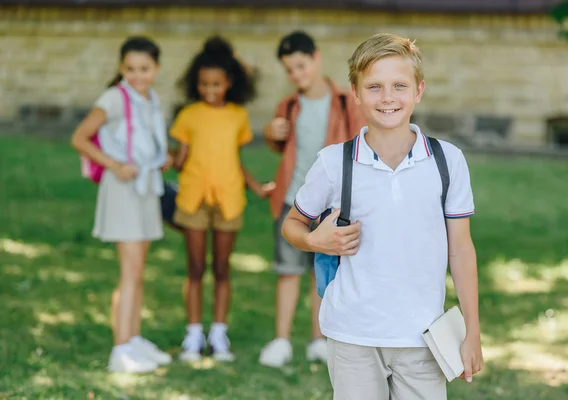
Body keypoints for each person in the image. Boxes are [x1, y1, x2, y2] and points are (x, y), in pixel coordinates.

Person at [281, 33, 484, 399]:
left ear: (418, 91)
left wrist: (473, 331)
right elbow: (292, 224)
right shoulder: (334, 162)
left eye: (399, 86)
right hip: (352, 336)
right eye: (374, 87)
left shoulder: (447, 161)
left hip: (423, 336)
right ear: (356, 93)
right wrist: (313, 239)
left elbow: (461, 251)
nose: (387, 97)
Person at [259, 31, 366, 368]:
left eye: (301, 66)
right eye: (290, 70)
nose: (297, 75)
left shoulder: (346, 102)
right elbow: (283, 147)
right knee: (288, 271)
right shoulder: (289, 105)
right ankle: (281, 340)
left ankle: (318, 340)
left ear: (317, 58)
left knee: (322, 274)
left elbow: (360, 146)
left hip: (332, 206)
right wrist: (270, 135)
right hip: (293, 201)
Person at [71, 36, 173, 374]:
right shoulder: (114, 98)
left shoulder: (151, 99)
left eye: (144, 69)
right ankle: (120, 350)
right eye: (130, 69)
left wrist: (160, 159)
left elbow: (144, 141)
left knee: (138, 273)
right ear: (121, 68)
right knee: (129, 274)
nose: (137, 75)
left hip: (145, 189)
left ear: (156, 69)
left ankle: (133, 340)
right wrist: (115, 165)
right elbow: (79, 138)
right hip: (123, 190)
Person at [171, 36, 273, 362]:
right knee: (196, 268)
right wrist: (163, 159)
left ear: (228, 83)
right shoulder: (188, 115)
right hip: (193, 200)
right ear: (195, 84)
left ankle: (218, 333)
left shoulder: (237, 116)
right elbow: (180, 160)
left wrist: (256, 187)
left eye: (216, 83)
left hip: (229, 200)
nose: (210, 90)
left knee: (222, 268)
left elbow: (234, 160)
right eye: (203, 84)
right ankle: (193, 334)